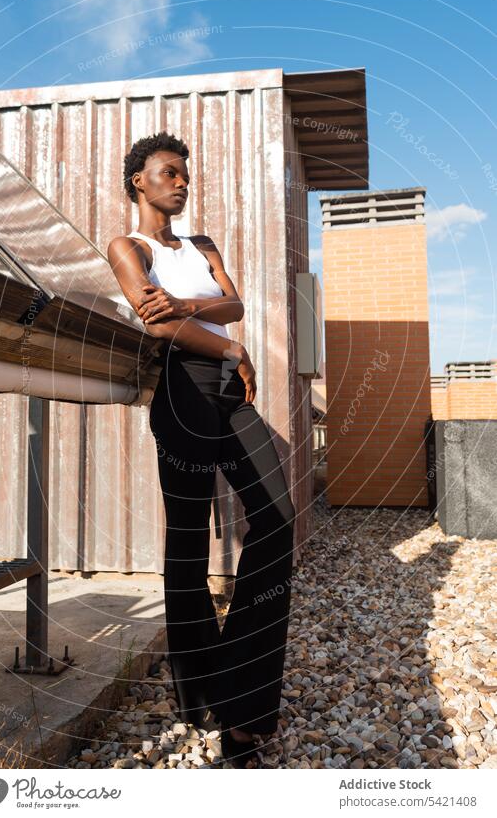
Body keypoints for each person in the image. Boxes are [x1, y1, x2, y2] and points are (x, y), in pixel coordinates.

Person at [107, 131, 295, 768]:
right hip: (182, 389)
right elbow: (155, 322)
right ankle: (205, 703)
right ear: (139, 180)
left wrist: (194, 305)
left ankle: (239, 691)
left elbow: (233, 303)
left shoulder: (201, 245)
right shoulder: (126, 246)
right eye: (168, 173)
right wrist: (229, 346)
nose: (180, 182)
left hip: (228, 390)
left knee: (276, 519)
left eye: (184, 175)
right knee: (187, 544)